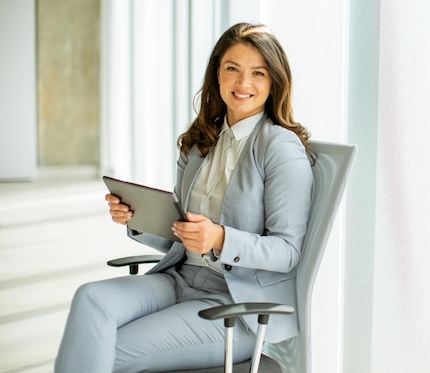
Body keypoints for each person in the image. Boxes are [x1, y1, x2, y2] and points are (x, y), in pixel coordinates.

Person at [54, 23, 314, 373]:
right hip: (179, 279)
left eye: (258, 73)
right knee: (91, 299)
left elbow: (288, 252)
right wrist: (137, 218)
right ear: (217, 74)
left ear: (274, 82)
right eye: (232, 69)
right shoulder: (200, 142)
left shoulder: (280, 149)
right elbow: (180, 235)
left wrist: (221, 238)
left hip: (234, 304)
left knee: (104, 352)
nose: (243, 83)